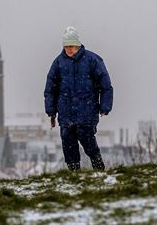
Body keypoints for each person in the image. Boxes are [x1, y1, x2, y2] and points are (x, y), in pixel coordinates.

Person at [44, 26, 113, 171]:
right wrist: (51, 110)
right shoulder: (58, 63)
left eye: (72, 46)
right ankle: (74, 173)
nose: (69, 50)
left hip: (86, 111)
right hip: (65, 113)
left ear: (78, 45)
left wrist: (105, 106)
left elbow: (105, 85)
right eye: (66, 46)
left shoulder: (92, 60)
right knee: (68, 143)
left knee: (88, 140)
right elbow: (50, 89)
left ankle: (98, 167)